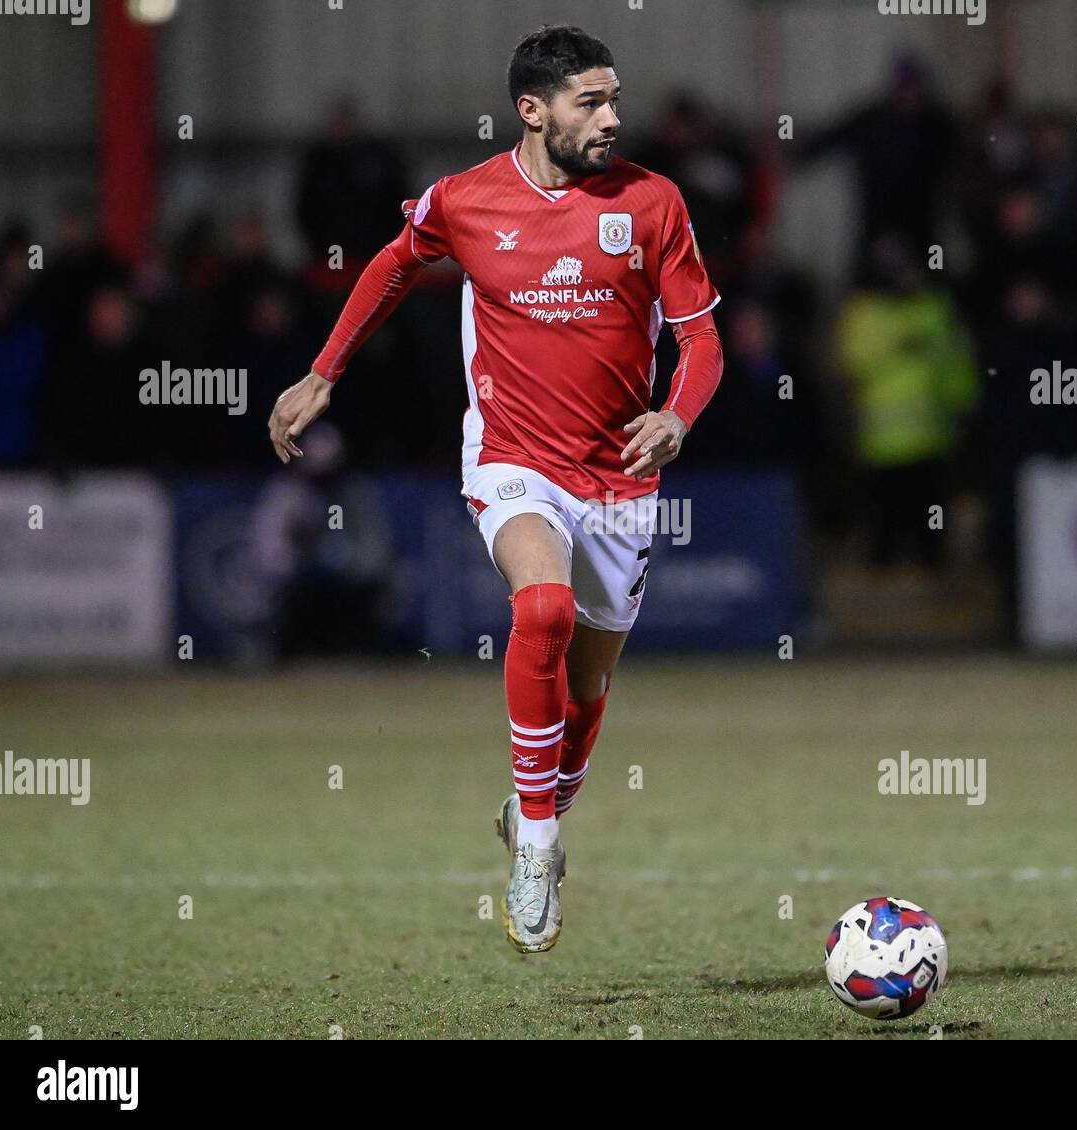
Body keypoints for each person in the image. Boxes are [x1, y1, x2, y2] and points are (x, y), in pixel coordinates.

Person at [266, 25, 723, 954]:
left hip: (620, 478)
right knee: (542, 609)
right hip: (512, 458)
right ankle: (540, 845)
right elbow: (396, 262)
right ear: (533, 110)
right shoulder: (466, 201)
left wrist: (677, 415)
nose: (611, 118)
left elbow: (702, 341)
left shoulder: (651, 202)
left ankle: (535, 811)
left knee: (589, 689)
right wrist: (324, 373)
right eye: (590, 102)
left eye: (614, 99)